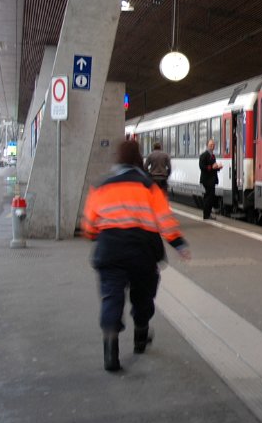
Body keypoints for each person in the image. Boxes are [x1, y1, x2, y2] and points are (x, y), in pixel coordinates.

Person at [81, 139, 191, 372]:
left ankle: (110, 350)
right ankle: (141, 335)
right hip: (142, 252)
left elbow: (89, 226)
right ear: (139, 160)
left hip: (110, 252)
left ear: (118, 160)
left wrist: (96, 235)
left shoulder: (101, 186)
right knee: (143, 298)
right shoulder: (149, 187)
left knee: (111, 298)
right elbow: (164, 219)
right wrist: (178, 243)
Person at [199, 138, 223, 220]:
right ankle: (206, 215)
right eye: (210, 145)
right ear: (207, 146)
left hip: (212, 180)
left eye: (213, 145)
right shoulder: (204, 155)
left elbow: (213, 167)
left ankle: (208, 214)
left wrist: (218, 167)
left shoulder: (212, 156)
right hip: (207, 180)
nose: (212, 146)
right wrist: (212, 167)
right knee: (208, 197)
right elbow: (202, 167)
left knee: (210, 197)